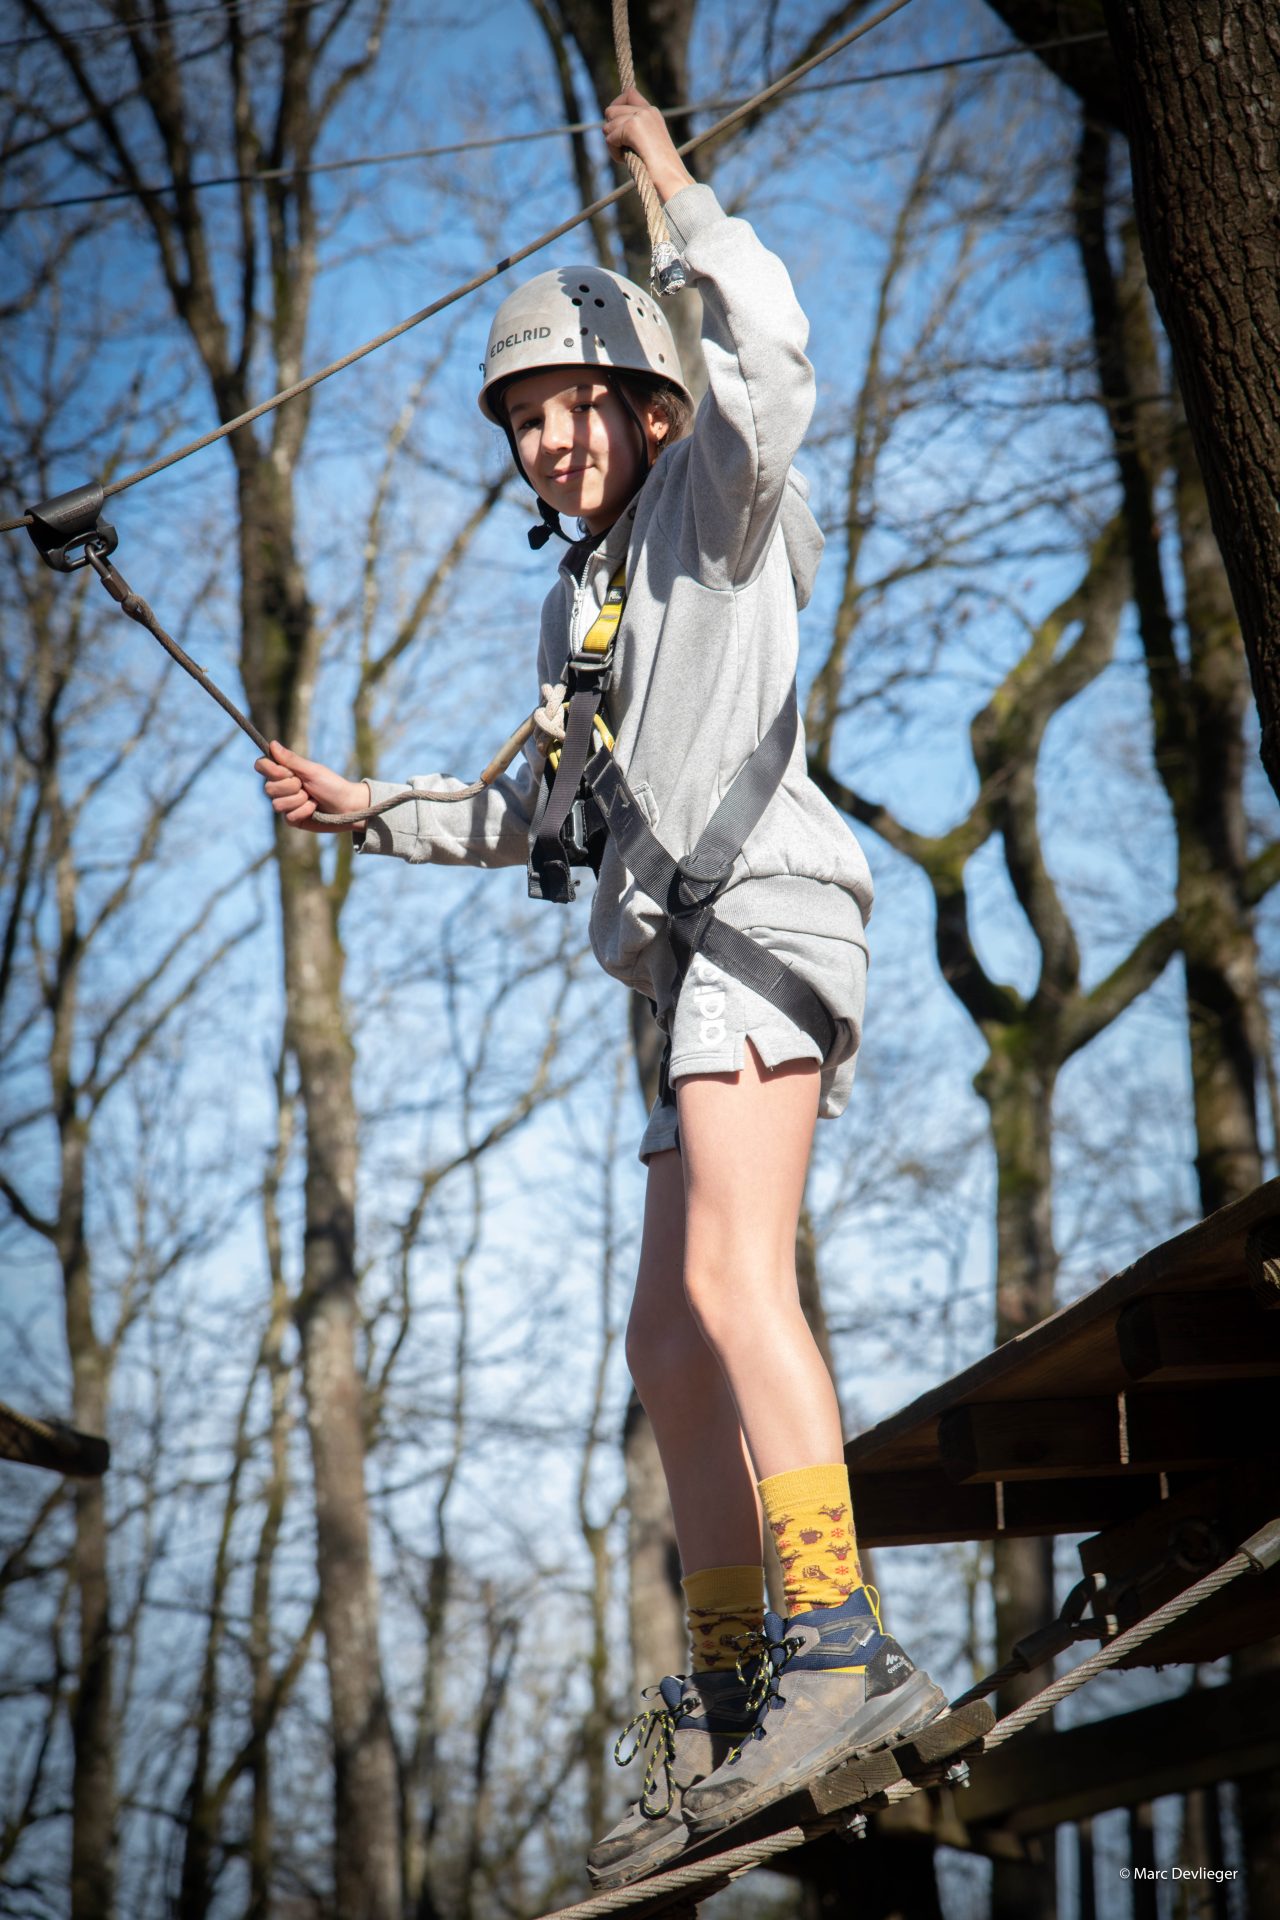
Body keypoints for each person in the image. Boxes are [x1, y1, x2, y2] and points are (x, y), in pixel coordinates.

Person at [257, 88, 943, 1888]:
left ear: (648, 406)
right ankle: (731, 1684)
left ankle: (837, 1647)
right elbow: (533, 809)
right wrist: (365, 806)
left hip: (765, 921)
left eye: (577, 406)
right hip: (682, 971)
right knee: (663, 1339)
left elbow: (769, 356)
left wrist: (676, 191)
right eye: (526, 420)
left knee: (732, 1278)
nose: (551, 442)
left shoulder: (716, 510)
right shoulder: (587, 607)